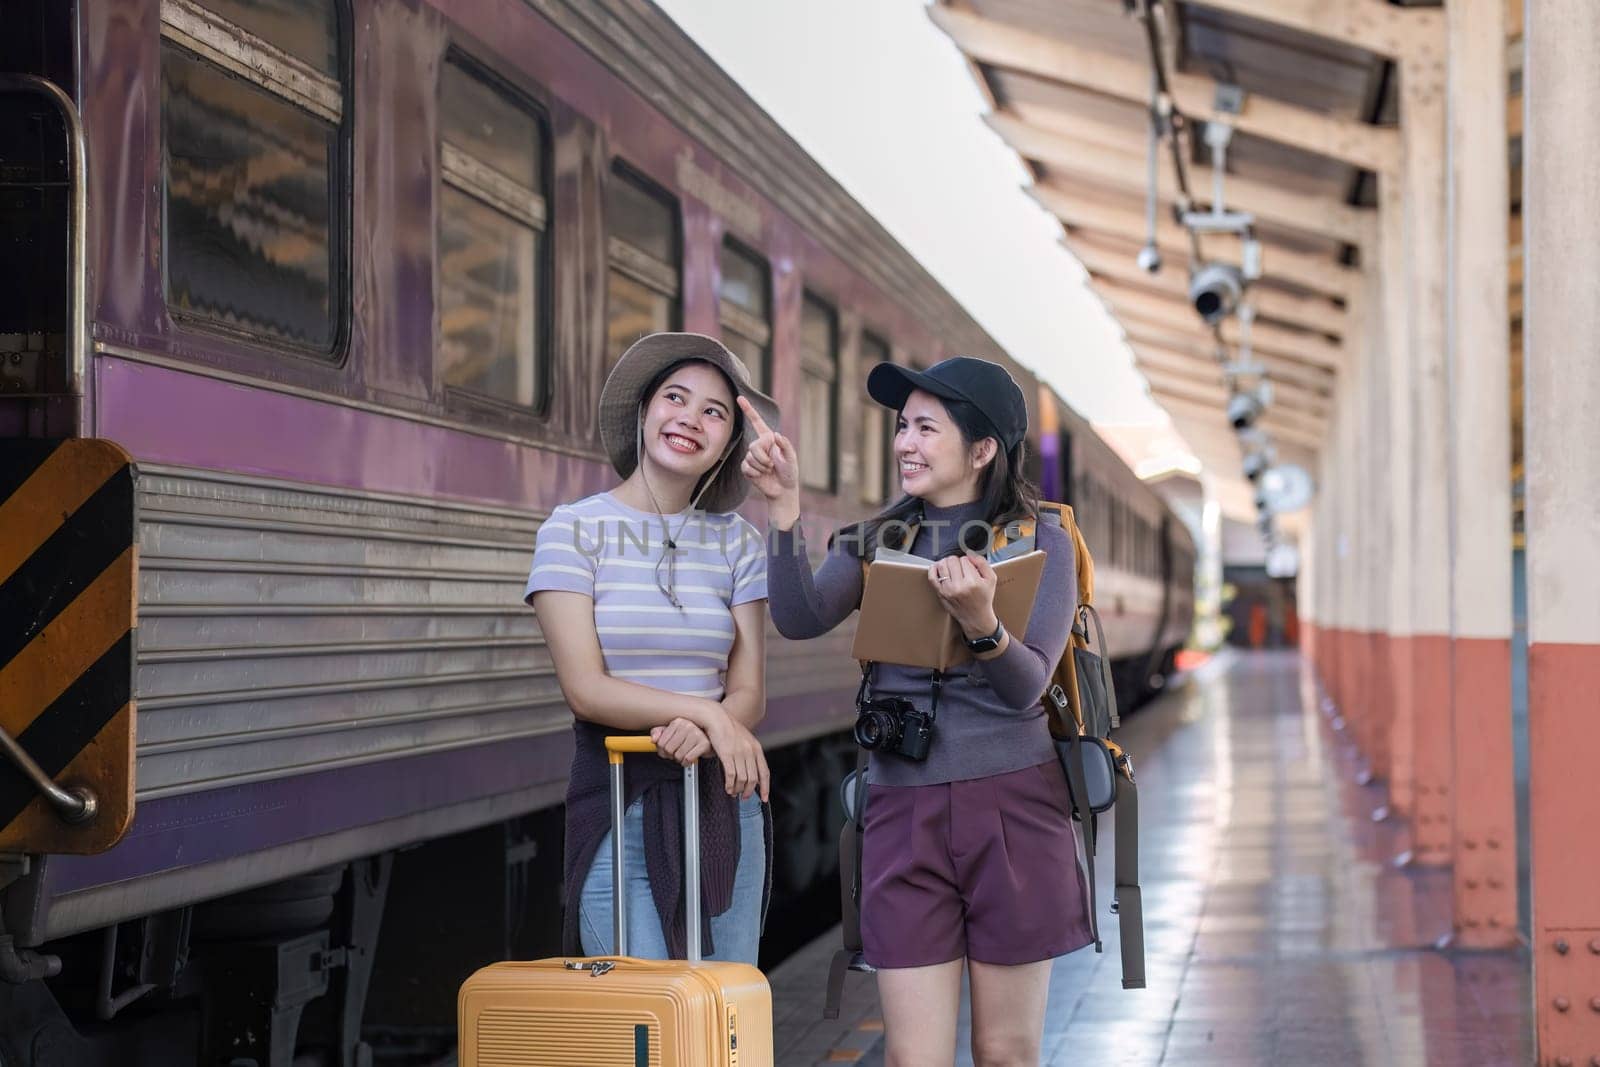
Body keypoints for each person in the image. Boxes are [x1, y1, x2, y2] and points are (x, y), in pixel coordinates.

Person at [739, 357, 1094, 1066]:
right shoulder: (878, 540)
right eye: (904, 426)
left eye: (927, 428)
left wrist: (984, 623)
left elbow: (1026, 688)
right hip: (902, 814)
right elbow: (800, 616)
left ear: (983, 448)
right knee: (912, 1058)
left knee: (1005, 1052)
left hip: (1016, 814)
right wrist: (783, 511)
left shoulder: (1043, 540)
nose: (906, 441)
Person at [526, 333, 778, 964]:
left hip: (724, 805)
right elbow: (585, 688)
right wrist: (709, 715)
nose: (691, 419)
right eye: (676, 398)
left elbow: (748, 691)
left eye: (714, 412)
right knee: (642, 1021)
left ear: (728, 444)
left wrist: (714, 724)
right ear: (644, 411)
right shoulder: (573, 529)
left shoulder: (739, 543)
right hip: (619, 800)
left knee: (723, 1023)